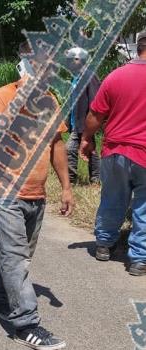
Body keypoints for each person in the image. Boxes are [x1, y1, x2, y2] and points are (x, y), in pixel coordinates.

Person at [0, 43, 73, 349]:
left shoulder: (49, 100)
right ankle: (26, 324)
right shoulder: (1, 96)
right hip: (5, 193)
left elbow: (57, 145)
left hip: (37, 194)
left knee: (18, 256)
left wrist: (67, 188)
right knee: (16, 260)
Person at [80, 32, 146, 276]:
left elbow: (95, 115)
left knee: (112, 199)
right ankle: (139, 259)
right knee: (144, 206)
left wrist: (86, 139)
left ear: (138, 48)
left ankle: (104, 245)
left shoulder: (115, 76)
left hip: (115, 151)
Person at [64, 47, 101, 184]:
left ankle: (87, 180)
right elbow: (73, 102)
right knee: (88, 149)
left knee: (79, 149)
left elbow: (95, 101)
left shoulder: (90, 77)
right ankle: (93, 179)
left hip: (86, 123)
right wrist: (68, 120)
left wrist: (91, 124)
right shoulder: (76, 78)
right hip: (76, 122)